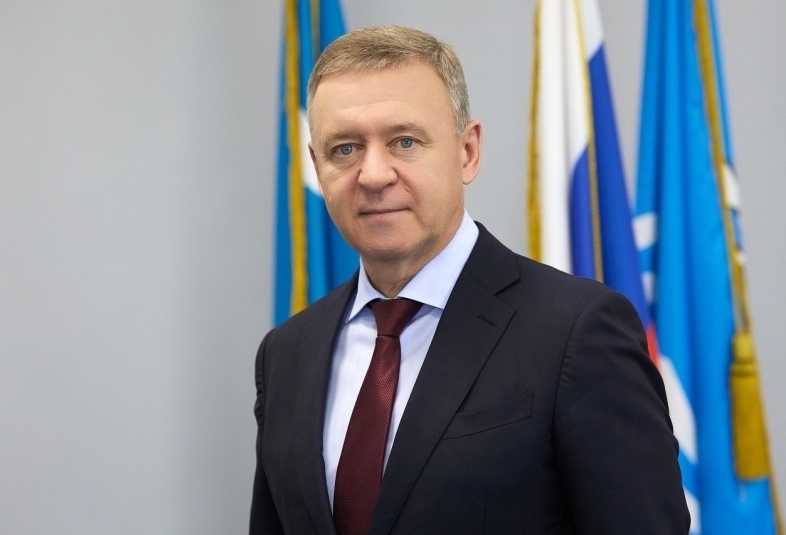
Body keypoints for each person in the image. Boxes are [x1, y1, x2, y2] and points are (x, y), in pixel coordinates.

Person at [250, 25, 689, 535]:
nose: (373, 174)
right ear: (316, 166)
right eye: (344, 149)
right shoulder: (286, 355)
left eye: (404, 141)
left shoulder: (576, 331)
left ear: (467, 152)